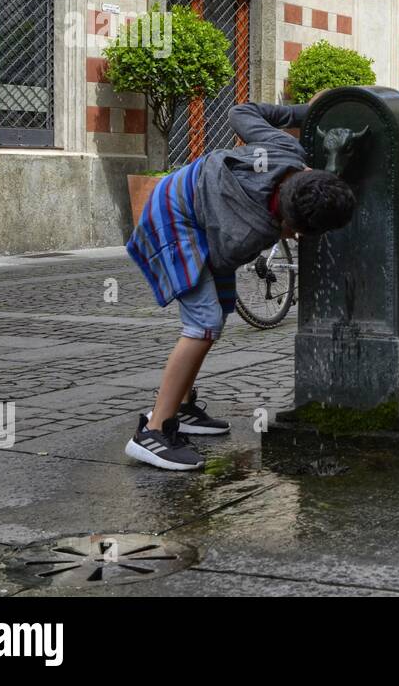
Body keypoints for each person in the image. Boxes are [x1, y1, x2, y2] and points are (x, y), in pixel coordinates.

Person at [123, 101, 355, 471]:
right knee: (203, 324)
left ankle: (180, 410)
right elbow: (218, 260)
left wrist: (304, 113)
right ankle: (152, 432)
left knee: (214, 318)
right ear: (294, 228)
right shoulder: (251, 233)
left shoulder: (285, 151)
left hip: (189, 195)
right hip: (172, 215)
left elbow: (240, 112)